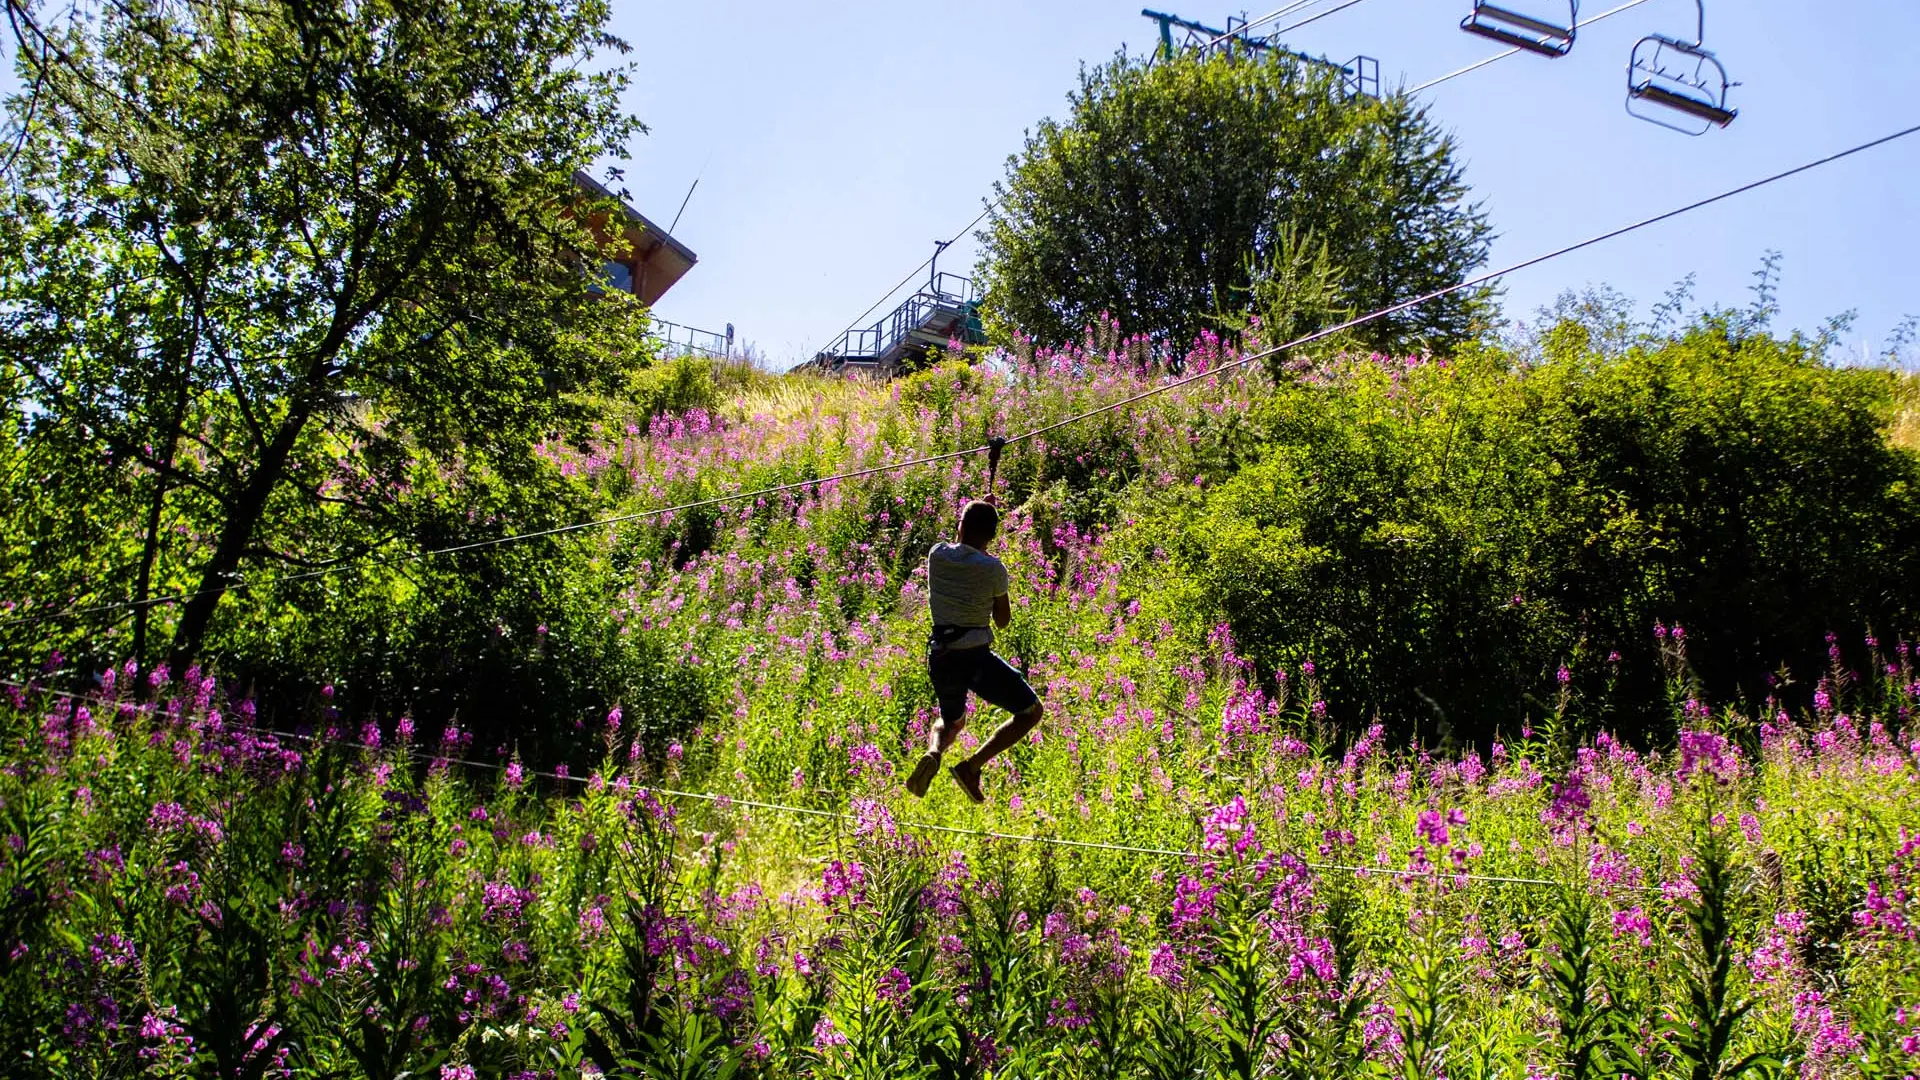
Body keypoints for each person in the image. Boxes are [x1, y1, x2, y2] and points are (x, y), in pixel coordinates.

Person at [905, 499, 1044, 803]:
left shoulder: (937, 555)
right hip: (975, 660)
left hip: (941, 656)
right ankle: (971, 767)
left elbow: (962, 545)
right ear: (992, 536)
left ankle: (934, 751)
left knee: (952, 721)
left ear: (961, 526)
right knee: (1031, 712)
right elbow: (1003, 621)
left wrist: (977, 513)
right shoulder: (994, 570)